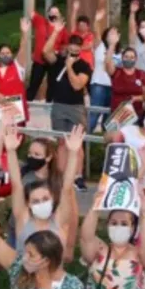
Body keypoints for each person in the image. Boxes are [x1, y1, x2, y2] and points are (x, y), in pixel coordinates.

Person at [6, 125, 81, 262]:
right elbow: (16, 184)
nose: (31, 157)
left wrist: (73, 154)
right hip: (17, 232)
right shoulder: (23, 219)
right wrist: (10, 150)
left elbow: (67, 188)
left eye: (45, 198)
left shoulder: (57, 219)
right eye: (30, 153)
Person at [42, 21, 92, 190]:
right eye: (71, 47)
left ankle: (78, 176)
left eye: (77, 48)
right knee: (62, 142)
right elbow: (45, 51)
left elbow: (78, 85)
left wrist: (70, 68)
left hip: (75, 108)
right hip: (58, 106)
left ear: (81, 49)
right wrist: (56, 32)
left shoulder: (84, 66)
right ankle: (63, 176)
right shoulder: (58, 61)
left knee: (76, 143)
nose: (74, 51)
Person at [0, 18, 31, 125]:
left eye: (8, 53)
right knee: (0, 139)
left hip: (16, 111)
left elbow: (23, 48)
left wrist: (24, 33)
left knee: (16, 139)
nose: (5, 55)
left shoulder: (18, 66)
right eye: (2, 53)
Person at [26, 0, 67, 101]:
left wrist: (59, 52)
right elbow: (31, 12)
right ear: (48, 13)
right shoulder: (40, 21)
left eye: (56, 12)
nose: (53, 14)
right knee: (34, 83)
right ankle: (27, 104)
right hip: (39, 60)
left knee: (52, 84)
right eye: (51, 12)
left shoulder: (62, 28)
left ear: (59, 14)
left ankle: (49, 104)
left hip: (53, 60)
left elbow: (65, 44)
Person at [103, 43, 145, 119]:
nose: (129, 59)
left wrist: (136, 98)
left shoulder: (141, 74)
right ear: (122, 58)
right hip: (117, 114)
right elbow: (107, 63)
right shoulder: (116, 72)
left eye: (132, 57)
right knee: (115, 131)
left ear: (136, 59)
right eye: (126, 57)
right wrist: (112, 44)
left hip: (136, 114)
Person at [88, 13, 121, 132]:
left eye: (115, 33)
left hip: (113, 87)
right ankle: (84, 143)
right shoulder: (100, 46)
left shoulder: (120, 53)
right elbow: (96, 32)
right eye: (110, 33)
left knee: (109, 118)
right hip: (99, 85)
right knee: (94, 115)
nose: (112, 35)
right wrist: (96, 21)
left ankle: (102, 145)